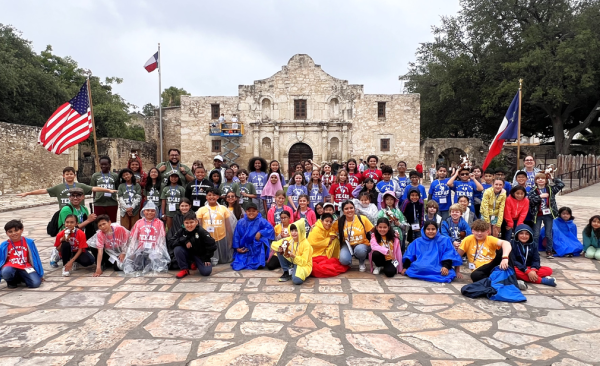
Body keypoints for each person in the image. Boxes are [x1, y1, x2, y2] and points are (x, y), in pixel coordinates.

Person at [18, 166, 115, 208]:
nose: (69, 175)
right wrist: (28, 193)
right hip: (65, 213)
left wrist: (108, 190)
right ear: (63, 176)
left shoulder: (80, 186)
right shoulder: (59, 187)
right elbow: (44, 190)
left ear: (74, 175)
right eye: (67, 174)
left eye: (71, 174)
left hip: (78, 212)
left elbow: (94, 188)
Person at [123, 201, 170, 275]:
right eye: (147, 210)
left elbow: (161, 239)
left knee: (154, 263)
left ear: (155, 212)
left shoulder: (159, 223)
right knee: (136, 264)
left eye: (152, 211)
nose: (150, 213)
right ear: (143, 211)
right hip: (141, 249)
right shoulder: (139, 222)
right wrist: (132, 251)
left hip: (154, 249)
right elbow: (133, 238)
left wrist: (159, 251)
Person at [169, 211, 217, 278]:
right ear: (183, 223)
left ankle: (195, 263)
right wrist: (184, 240)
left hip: (200, 255)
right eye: (186, 223)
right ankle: (184, 269)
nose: (189, 225)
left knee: (206, 272)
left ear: (196, 222)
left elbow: (212, 245)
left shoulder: (201, 231)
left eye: (191, 222)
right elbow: (171, 242)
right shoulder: (182, 231)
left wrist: (207, 258)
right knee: (177, 249)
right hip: (188, 253)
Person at [528, 173, 565, 258]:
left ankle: (549, 250)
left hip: (548, 214)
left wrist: (552, 178)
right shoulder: (533, 190)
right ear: (535, 181)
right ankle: (535, 250)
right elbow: (531, 200)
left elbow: (561, 184)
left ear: (546, 180)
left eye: (543, 178)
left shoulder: (550, 189)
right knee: (536, 234)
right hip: (537, 215)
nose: (540, 180)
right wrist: (540, 197)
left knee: (548, 233)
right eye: (538, 178)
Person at [231, 202, 275, 270]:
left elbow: (270, 229)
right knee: (238, 264)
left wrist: (261, 232)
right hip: (244, 247)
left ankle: (260, 260)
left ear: (257, 212)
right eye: (249, 211)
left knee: (264, 240)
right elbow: (236, 235)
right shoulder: (240, 222)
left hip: (256, 246)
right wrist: (237, 248)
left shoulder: (261, 221)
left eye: (253, 211)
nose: (251, 213)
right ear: (246, 212)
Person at [332, 200, 374, 271]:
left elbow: (374, 230)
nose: (349, 210)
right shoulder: (339, 222)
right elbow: (329, 230)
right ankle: (349, 260)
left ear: (354, 209)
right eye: (346, 209)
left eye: (351, 208)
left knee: (360, 250)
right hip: (347, 245)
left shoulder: (362, 219)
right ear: (343, 211)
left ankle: (361, 262)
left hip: (362, 244)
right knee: (344, 260)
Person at [0, 219, 43, 289]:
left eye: (16, 230)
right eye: (10, 232)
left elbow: (36, 258)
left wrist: (40, 274)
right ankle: (11, 281)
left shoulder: (29, 242)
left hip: (25, 267)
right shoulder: (4, 245)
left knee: (35, 284)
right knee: (6, 272)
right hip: (10, 267)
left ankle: (22, 278)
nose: (13, 233)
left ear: (21, 230)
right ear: (6, 233)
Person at [196, 188, 233, 264]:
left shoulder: (223, 209)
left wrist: (230, 239)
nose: (211, 197)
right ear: (206, 197)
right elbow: (199, 225)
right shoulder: (201, 210)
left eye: (214, 195)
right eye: (209, 195)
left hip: (221, 236)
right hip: (206, 238)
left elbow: (228, 225)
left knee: (223, 260)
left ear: (218, 197)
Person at [271, 219, 313, 284]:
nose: (293, 233)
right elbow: (274, 244)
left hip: (302, 264)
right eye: (292, 230)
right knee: (280, 250)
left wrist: (294, 256)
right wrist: (281, 248)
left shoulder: (306, 244)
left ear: (301, 231)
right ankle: (287, 272)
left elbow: (304, 262)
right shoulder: (290, 239)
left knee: (297, 280)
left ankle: (298, 272)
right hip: (292, 261)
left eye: (296, 231)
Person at [308, 213, 349, 277]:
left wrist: (331, 237)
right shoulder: (316, 229)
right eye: (326, 221)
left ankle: (330, 258)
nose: (328, 223)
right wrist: (328, 240)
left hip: (325, 251)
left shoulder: (330, 228)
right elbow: (313, 243)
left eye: (330, 222)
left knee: (335, 241)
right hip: (315, 253)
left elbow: (333, 233)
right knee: (319, 269)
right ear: (322, 221)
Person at [165, 198, 193, 268]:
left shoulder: (193, 215)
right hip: (180, 239)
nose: (184, 208)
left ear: (190, 206)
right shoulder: (176, 217)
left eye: (186, 206)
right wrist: (184, 240)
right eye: (182, 206)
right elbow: (177, 230)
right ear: (179, 207)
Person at [90, 156, 119, 222]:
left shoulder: (115, 175)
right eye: (102, 164)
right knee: (100, 222)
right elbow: (93, 188)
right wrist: (95, 199)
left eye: (105, 164)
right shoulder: (95, 175)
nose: (103, 166)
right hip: (99, 203)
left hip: (112, 203)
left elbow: (117, 187)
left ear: (109, 164)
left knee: (112, 222)